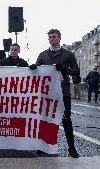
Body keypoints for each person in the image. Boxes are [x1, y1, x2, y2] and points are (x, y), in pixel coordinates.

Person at [30, 29, 79, 158]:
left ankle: (72, 148)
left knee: (66, 120)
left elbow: (75, 71)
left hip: (63, 91)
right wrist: (33, 67)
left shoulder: (68, 54)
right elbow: (36, 68)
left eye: (54, 36)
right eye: (50, 37)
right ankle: (42, 147)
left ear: (59, 38)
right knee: (45, 119)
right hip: (46, 92)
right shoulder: (43, 54)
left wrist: (64, 69)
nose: (51, 38)